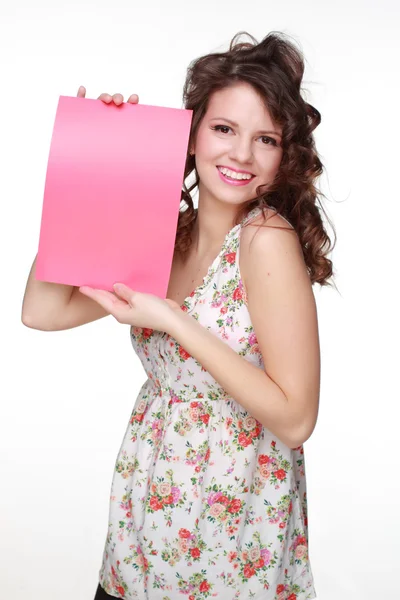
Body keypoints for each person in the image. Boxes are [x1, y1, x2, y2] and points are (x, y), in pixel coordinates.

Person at [22, 30, 335, 600]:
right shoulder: (170, 235)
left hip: (233, 546)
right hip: (145, 533)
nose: (241, 155)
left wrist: (174, 320)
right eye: (223, 128)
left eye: (264, 139)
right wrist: (92, 164)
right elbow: (41, 311)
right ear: (191, 136)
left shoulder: (265, 241)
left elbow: (296, 419)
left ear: (283, 155)